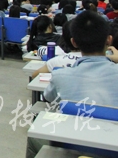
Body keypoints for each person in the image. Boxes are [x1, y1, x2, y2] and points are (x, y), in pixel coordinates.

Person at [27, 11, 118, 158]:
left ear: (74, 42)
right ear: (109, 40)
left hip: (71, 148)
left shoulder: (60, 76)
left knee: (33, 136)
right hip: (113, 150)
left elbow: (48, 98)